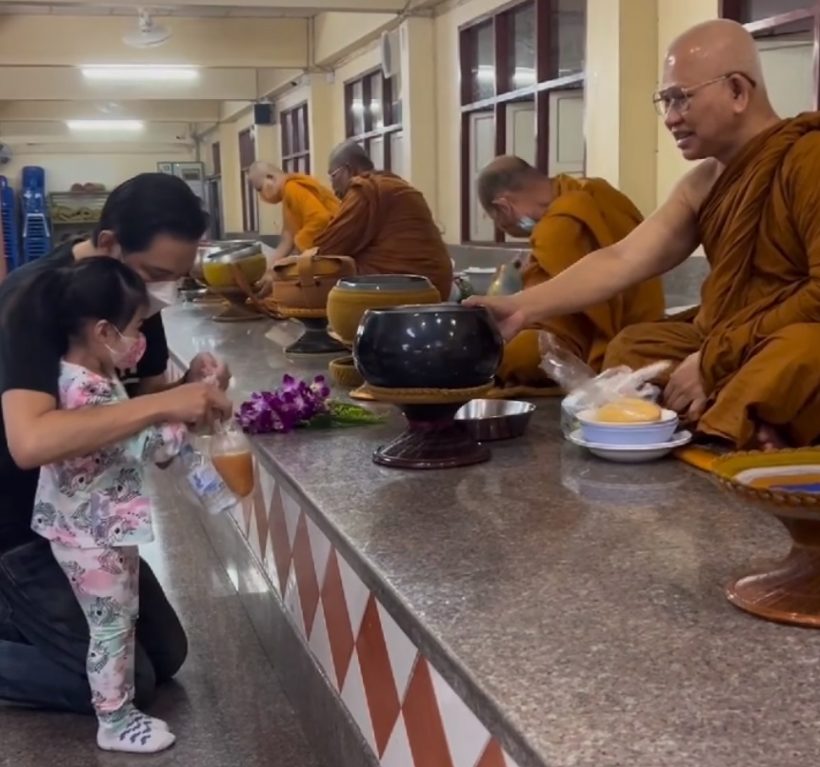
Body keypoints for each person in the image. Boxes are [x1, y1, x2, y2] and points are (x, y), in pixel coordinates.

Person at [469, 19, 820, 450]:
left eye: (681, 99)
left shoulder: (809, 159)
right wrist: (518, 307)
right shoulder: (702, 183)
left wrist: (714, 359)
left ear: (737, 91)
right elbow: (622, 259)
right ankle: (750, 418)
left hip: (786, 335)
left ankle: (733, 415)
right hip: (728, 337)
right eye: (665, 101)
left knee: (802, 350)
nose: (671, 118)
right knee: (635, 348)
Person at [0, 173, 232, 714]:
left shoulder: (135, 300)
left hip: (90, 519)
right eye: (156, 274)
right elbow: (31, 441)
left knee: (165, 654)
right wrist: (163, 405)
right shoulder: (33, 299)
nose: (163, 293)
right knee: (124, 686)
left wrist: (192, 389)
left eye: (177, 279)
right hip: (21, 527)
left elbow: (141, 401)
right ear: (109, 245)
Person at [24, 258, 186, 752]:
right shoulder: (87, 391)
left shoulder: (85, 372)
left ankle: (119, 710)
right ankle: (114, 722)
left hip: (91, 527)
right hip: (90, 535)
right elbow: (147, 445)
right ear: (103, 330)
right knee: (111, 628)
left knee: (119, 621)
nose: (141, 338)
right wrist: (190, 415)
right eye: (136, 326)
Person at [477, 157, 665, 388]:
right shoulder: (600, 191)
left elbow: (568, 308)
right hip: (648, 326)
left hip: (594, 338)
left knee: (512, 356)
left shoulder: (556, 227)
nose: (520, 231)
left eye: (505, 225)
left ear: (504, 206)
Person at [313, 141, 453, 299]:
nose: (332, 187)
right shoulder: (397, 185)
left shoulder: (363, 190)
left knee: (323, 272)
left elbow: (330, 249)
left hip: (405, 288)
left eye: (333, 176)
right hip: (438, 284)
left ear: (348, 170)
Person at [249, 161, 340, 297]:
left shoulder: (292, 188)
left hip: (336, 249)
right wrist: (268, 268)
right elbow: (288, 237)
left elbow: (320, 219)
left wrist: (300, 249)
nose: (261, 196)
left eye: (259, 189)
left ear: (270, 178)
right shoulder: (287, 195)